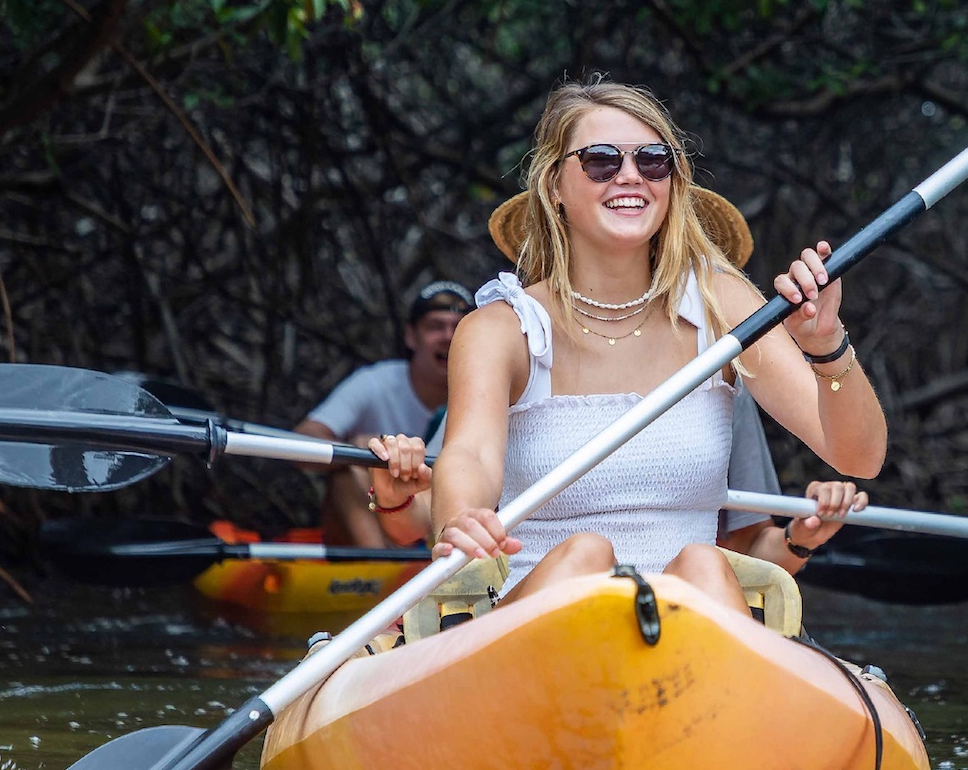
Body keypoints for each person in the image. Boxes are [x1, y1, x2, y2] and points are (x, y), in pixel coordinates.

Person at [375, 80, 887, 611]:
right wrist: (461, 517)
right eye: (600, 160)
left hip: (687, 622)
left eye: (652, 160)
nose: (629, 175)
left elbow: (860, 457)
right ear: (553, 184)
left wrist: (827, 345)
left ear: (671, 182)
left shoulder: (723, 305)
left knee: (705, 563)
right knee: (587, 555)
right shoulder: (499, 328)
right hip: (537, 622)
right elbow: (471, 455)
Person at [294, 281, 472, 548]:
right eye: (435, 326)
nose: (448, 337)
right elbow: (303, 440)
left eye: (458, 328)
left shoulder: (483, 391)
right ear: (411, 336)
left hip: (443, 521)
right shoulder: (376, 383)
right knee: (346, 473)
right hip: (390, 523)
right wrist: (357, 450)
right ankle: (380, 563)